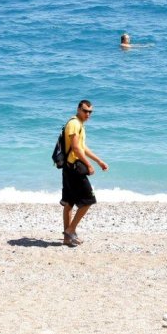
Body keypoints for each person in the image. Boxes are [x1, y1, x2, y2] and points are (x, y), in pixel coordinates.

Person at [60, 100, 108, 246]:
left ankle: (67, 238)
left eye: (90, 112)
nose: (87, 114)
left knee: (69, 203)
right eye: (85, 111)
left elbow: (82, 147)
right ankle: (70, 230)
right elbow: (75, 148)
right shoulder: (74, 124)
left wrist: (98, 161)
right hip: (74, 168)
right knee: (88, 201)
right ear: (78, 109)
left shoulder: (78, 124)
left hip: (68, 168)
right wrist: (88, 165)